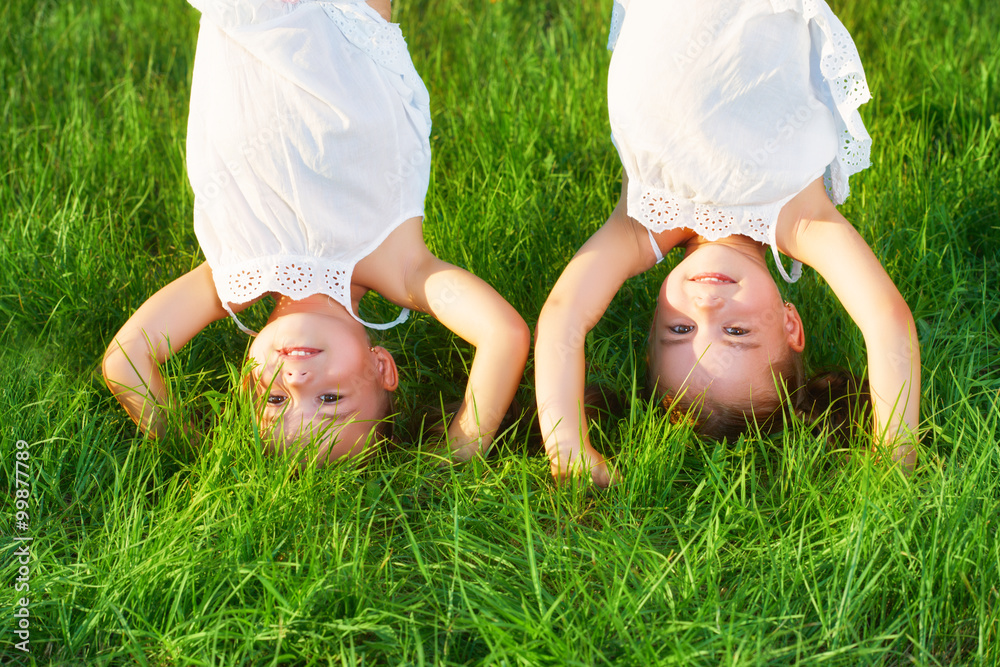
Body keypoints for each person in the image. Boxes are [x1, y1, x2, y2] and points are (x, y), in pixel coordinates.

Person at [103, 0, 529, 466]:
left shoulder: (232, 275)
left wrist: (193, 449)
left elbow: (125, 361)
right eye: (331, 401)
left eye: (274, 402)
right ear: (382, 366)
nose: (299, 381)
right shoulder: (400, 265)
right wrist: (455, 456)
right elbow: (503, 335)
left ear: (249, 378)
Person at [534, 0, 920, 487]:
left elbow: (565, 315)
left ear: (654, 316)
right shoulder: (799, 219)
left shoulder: (645, 224)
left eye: (679, 329)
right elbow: (886, 320)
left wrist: (568, 446)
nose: (708, 306)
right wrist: (896, 457)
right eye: (736, 332)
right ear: (790, 322)